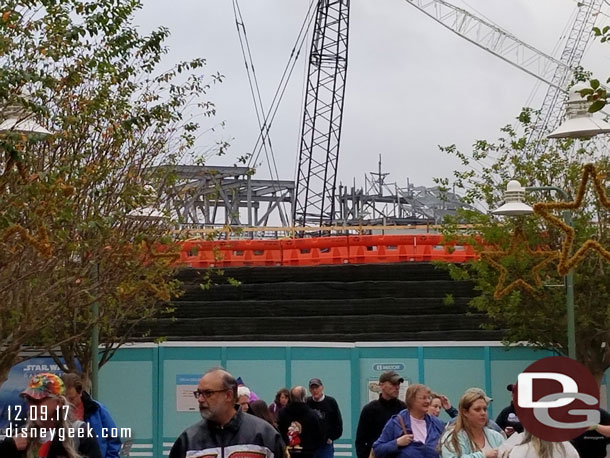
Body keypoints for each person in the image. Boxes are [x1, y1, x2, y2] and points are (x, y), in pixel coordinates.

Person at [169, 368, 285, 458]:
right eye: (199, 393)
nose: (200, 399)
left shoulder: (264, 435)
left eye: (208, 393)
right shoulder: (188, 441)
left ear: (228, 395)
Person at [0, 372, 102, 458]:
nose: (31, 406)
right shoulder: (19, 437)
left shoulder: (80, 433)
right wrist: (8, 447)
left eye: (37, 401)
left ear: (58, 403)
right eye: (29, 400)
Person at [373, 383, 444, 458]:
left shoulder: (436, 423)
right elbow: (377, 449)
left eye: (428, 398)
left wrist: (450, 409)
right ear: (411, 400)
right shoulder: (396, 422)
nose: (427, 401)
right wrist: (396, 443)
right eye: (423, 398)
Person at [61, 372, 121, 458]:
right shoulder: (58, 411)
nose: (68, 403)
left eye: (71, 399)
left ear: (80, 392)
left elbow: (113, 438)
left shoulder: (97, 409)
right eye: (64, 399)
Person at [439, 388, 504, 458]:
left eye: (485, 409)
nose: (483, 413)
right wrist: (483, 455)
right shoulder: (453, 437)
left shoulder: (496, 437)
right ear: (465, 412)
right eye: (477, 409)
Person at [355, 371, 406, 458]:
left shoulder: (403, 408)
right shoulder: (369, 409)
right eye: (393, 384)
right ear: (381, 385)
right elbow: (361, 440)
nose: (397, 387)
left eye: (398, 384)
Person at [278, 386, 324, 458]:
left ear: (290, 397)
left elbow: (279, 434)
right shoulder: (312, 415)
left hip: (287, 452)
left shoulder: (282, 413)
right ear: (305, 397)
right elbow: (318, 436)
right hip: (308, 453)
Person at [306, 378, 343, 458]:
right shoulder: (307, 402)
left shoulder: (331, 402)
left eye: (317, 387)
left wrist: (331, 437)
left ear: (322, 388)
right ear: (309, 390)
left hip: (326, 444)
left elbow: (338, 423)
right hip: (310, 445)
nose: (315, 390)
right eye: (312, 388)